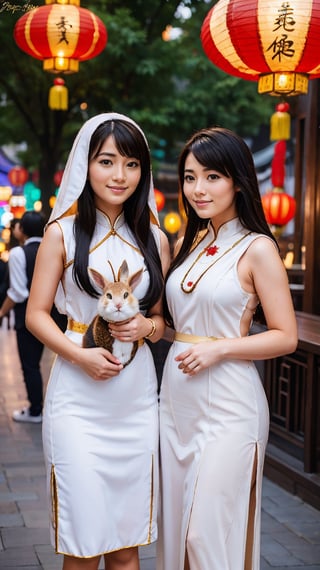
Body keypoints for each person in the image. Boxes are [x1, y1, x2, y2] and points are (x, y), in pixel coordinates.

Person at [26, 113, 170, 570]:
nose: (119, 175)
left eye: (131, 164)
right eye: (107, 161)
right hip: (78, 400)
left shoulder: (156, 238)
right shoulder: (60, 234)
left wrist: (147, 329)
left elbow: (162, 320)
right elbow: (35, 314)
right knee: (84, 543)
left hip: (136, 399)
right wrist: (79, 356)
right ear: (85, 165)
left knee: (127, 547)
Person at [157, 127, 298, 570]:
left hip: (230, 403)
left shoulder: (258, 248)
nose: (198, 189)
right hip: (177, 401)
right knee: (178, 528)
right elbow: (179, 330)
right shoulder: (187, 244)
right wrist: (145, 326)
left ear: (237, 180)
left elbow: (285, 335)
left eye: (212, 176)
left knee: (205, 533)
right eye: (190, 176)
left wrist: (220, 350)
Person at [0, 211, 46, 423]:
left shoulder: (19, 254)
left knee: (30, 365)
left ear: (23, 230)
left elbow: (18, 292)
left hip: (28, 318)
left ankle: (35, 410)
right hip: (55, 317)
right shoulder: (50, 249)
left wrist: (2, 311)